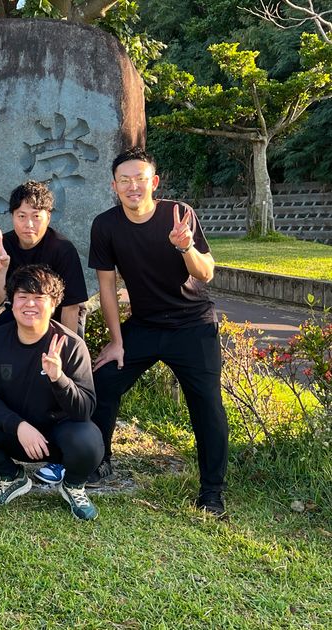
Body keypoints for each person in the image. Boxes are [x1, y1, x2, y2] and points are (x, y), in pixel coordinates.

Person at [88, 146, 229, 518]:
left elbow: (205, 273)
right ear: (114, 186)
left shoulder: (178, 214)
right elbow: (106, 287)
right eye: (124, 180)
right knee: (103, 380)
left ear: (154, 182)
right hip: (145, 325)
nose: (132, 186)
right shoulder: (105, 225)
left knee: (207, 405)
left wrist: (185, 246)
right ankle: (99, 460)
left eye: (140, 179)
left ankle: (211, 491)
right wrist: (116, 341)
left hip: (192, 324)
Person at [0, 264, 103, 521]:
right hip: (13, 432)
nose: (29, 304)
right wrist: (18, 425)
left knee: (89, 440)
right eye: (22, 296)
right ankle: (11, 477)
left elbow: (84, 410)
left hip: (57, 435)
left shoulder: (71, 345)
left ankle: (73, 485)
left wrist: (59, 378)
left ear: (54, 304)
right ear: (12, 302)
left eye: (39, 298)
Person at [0, 180, 87, 334]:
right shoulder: (1, 248)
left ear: (48, 217)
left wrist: (65, 345)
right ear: (12, 216)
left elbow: (70, 307)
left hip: (59, 316)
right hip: (22, 313)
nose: (29, 224)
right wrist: (0, 271)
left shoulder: (63, 249)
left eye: (36, 216)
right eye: (22, 216)